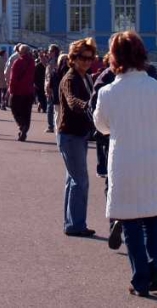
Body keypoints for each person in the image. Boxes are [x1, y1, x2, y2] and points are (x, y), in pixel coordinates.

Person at [94, 30, 157, 298]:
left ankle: (140, 276)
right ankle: (154, 263)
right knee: (151, 216)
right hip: (154, 158)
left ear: (114, 58)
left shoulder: (108, 92)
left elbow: (101, 126)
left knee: (130, 220)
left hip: (125, 160)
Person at [57, 38, 97, 238]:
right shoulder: (70, 78)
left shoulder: (86, 77)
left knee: (73, 179)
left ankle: (72, 222)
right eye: (83, 58)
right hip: (70, 134)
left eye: (91, 58)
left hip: (79, 134)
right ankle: (75, 224)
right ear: (73, 58)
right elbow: (73, 102)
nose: (88, 61)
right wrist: (88, 107)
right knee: (80, 180)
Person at [7, 44, 36, 141]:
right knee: (27, 112)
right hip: (29, 91)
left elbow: (13, 78)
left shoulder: (17, 62)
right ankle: (24, 129)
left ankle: (22, 125)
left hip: (18, 91)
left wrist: (11, 91)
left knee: (14, 109)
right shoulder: (32, 62)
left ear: (21, 52)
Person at [44, 44, 62, 132]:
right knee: (53, 107)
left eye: (50, 51)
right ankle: (53, 125)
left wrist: (48, 87)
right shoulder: (51, 61)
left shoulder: (56, 62)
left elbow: (52, 75)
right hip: (50, 86)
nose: (48, 52)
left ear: (54, 52)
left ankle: (51, 126)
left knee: (51, 107)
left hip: (52, 87)